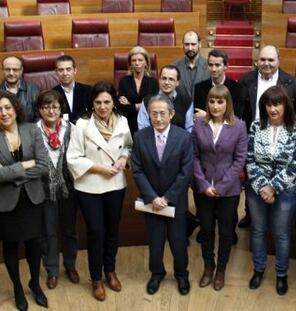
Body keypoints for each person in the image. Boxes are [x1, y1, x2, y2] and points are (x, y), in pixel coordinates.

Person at [67, 82, 133, 301]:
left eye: (107, 102)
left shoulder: (122, 121)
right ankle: (96, 278)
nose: (103, 107)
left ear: (114, 101)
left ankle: (110, 271)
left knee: (113, 230)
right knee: (96, 232)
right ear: (92, 103)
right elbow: (73, 158)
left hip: (115, 184)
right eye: (98, 102)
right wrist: (100, 168)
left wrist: (123, 158)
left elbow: (129, 146)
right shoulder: (82, 125)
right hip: (89, 185)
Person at [246, 85, 296, 295]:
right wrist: (263, 186)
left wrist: (273, 187)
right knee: (258, 231)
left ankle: (281, 274)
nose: (273, 109)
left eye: (277, 104)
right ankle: (259, 269)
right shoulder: (255, 126)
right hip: (256, 189)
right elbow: (250, 160)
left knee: (281, 234)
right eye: (269, 104)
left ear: (285, 105)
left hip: (285, 190)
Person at [132, 94, 193, 296]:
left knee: (178, 242)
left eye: (162, 113)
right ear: (148, 114)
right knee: (155, 242)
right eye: (153, 113)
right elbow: (137, 169)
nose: (158, 118)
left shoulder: (184, 137)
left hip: (175, 202)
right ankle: (156, 273)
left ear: (172, 114)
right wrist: (152, 197)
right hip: (152, 202)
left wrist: (166, 198)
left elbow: (186, 172)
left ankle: (181, 274)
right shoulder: (140, 137)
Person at [238, 45, 296, 228]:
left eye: (271, 60)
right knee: (253, 177)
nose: (266, 64)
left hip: (281, 138)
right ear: (257, 61)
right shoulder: (245, 80)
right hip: (253, 137)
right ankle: (250, 214)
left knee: (276, 176)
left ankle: (274, 216)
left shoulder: (292, 84)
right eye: (263, 60)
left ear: (278, 61)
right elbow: (241, 111)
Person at [192, 85, 248, 290]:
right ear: (207, 103)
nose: (215, 106)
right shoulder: (198, 124)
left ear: (227, 104)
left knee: (226, 232)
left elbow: (239, 160)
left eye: (220, 102)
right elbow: (194, 156)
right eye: (212, 101)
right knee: (206, 230)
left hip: (229, 191)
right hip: (203, 188)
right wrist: (204, 184)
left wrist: (222, 187)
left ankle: (221, 270)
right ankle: (208, 266)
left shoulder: (239, 126)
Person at [0, 90, 49, 311]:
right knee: (10, 246)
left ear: (15, 109)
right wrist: (23, 166)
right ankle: (18, 289)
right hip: (6, 203)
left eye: (7, 107)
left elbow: (43, 165)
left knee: (34, 245)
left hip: (32, 199)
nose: (3, 113)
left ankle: (34, 284)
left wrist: (10, 173)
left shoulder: (31, 130)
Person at [36, 90, 80, 290]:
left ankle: (70, 266)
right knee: (48, 232)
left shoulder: (72, 128)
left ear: (61, 108)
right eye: (46, 107)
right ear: (40, 110)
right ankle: (52, 270)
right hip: (44, 191)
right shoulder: (33, 131)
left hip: (69, 190)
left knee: (69, 231)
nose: (51, 110)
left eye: (54, 106)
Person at [194, 48, 248, 120]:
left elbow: (235, 117)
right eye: (211, 65)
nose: (213, 69)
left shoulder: (238, 89)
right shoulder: (199, 88)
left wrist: (207, 116)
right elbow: (198, 115)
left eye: (217, 65)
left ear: (225, 66)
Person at [137, 64, 193, 132]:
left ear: (177, 82)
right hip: (152, 141)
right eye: (164, 78)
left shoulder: (186, 101)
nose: (166, 82)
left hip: (179, 141)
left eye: (171, 79)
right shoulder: (147, 101)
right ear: (159, 80)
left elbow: (189, 130)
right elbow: (143, 129)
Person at [118, 46, 159, 134]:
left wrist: (131, 105)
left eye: (140, 60)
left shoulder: (153, 82)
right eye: (134, 60)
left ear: (146, 62)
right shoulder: (124, 81)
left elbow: (153, 106)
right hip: (127, 125)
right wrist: (142, 105)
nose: (137, 63)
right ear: (130, 63)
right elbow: (122, 107)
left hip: (148, 124)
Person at [52, 55, 92, 124]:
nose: (65, 73)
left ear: (75, 70)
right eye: (61, 70)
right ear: (56, 72)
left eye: (68, 69)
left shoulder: (88, 90)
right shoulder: (52, 94)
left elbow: (91, 114)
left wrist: (65, 116)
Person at [1, 56, 40, 122]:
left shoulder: (33, 89)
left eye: (15, 70)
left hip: (29, 130)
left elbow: (39, 116)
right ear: (2, 71)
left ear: (21, 70)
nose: (11, 73)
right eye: (7, 69)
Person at [173, 31, 210, 99]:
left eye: (193, 44)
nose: (190, 48)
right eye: (187, 44)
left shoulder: (210, 67)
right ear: (183, 45)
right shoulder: (174, 67)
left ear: (199, 44)